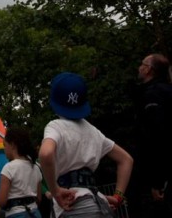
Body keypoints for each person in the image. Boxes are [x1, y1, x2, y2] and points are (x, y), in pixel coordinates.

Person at [39, 72, 133, 218]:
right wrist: (118, 196)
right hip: (98, 203)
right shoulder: (93, 132)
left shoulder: (55, 126)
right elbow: (126, 160)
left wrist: (55, 191)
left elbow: (45, 154)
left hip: (72, 205)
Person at [129, 53, 172, 217]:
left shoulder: (153, 95)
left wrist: (157, 181)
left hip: (154, 176)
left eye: (143, 64)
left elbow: (157, 137)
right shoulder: (165, 91)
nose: (139, 67)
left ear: (149, 70)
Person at [0, 127, 42, 218]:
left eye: (5, 145)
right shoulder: (36, 168)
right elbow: (39, 198)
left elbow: (2, 201)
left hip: (15, 213)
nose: (4, 149)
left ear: (12, 145)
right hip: (34, 212)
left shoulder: (8, 168)